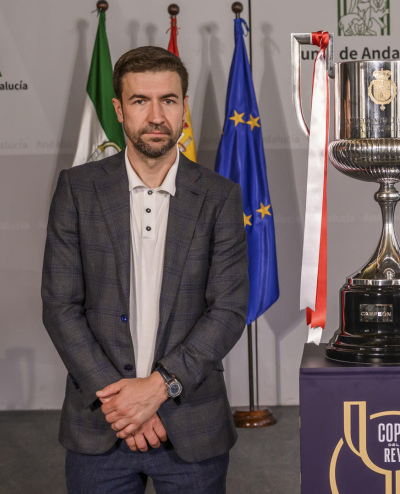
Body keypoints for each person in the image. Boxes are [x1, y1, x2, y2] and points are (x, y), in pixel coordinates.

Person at [41, 46, 248, 493]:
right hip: (101, 423)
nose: (156, 116)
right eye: (140, 101)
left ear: (183, 107)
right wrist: (122, 402)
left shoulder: (220, 197)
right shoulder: (77, 191)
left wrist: (158, 388)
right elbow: (60, 307)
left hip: (191, 426)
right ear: (118, 109)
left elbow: (229, 310)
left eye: (169, 101)